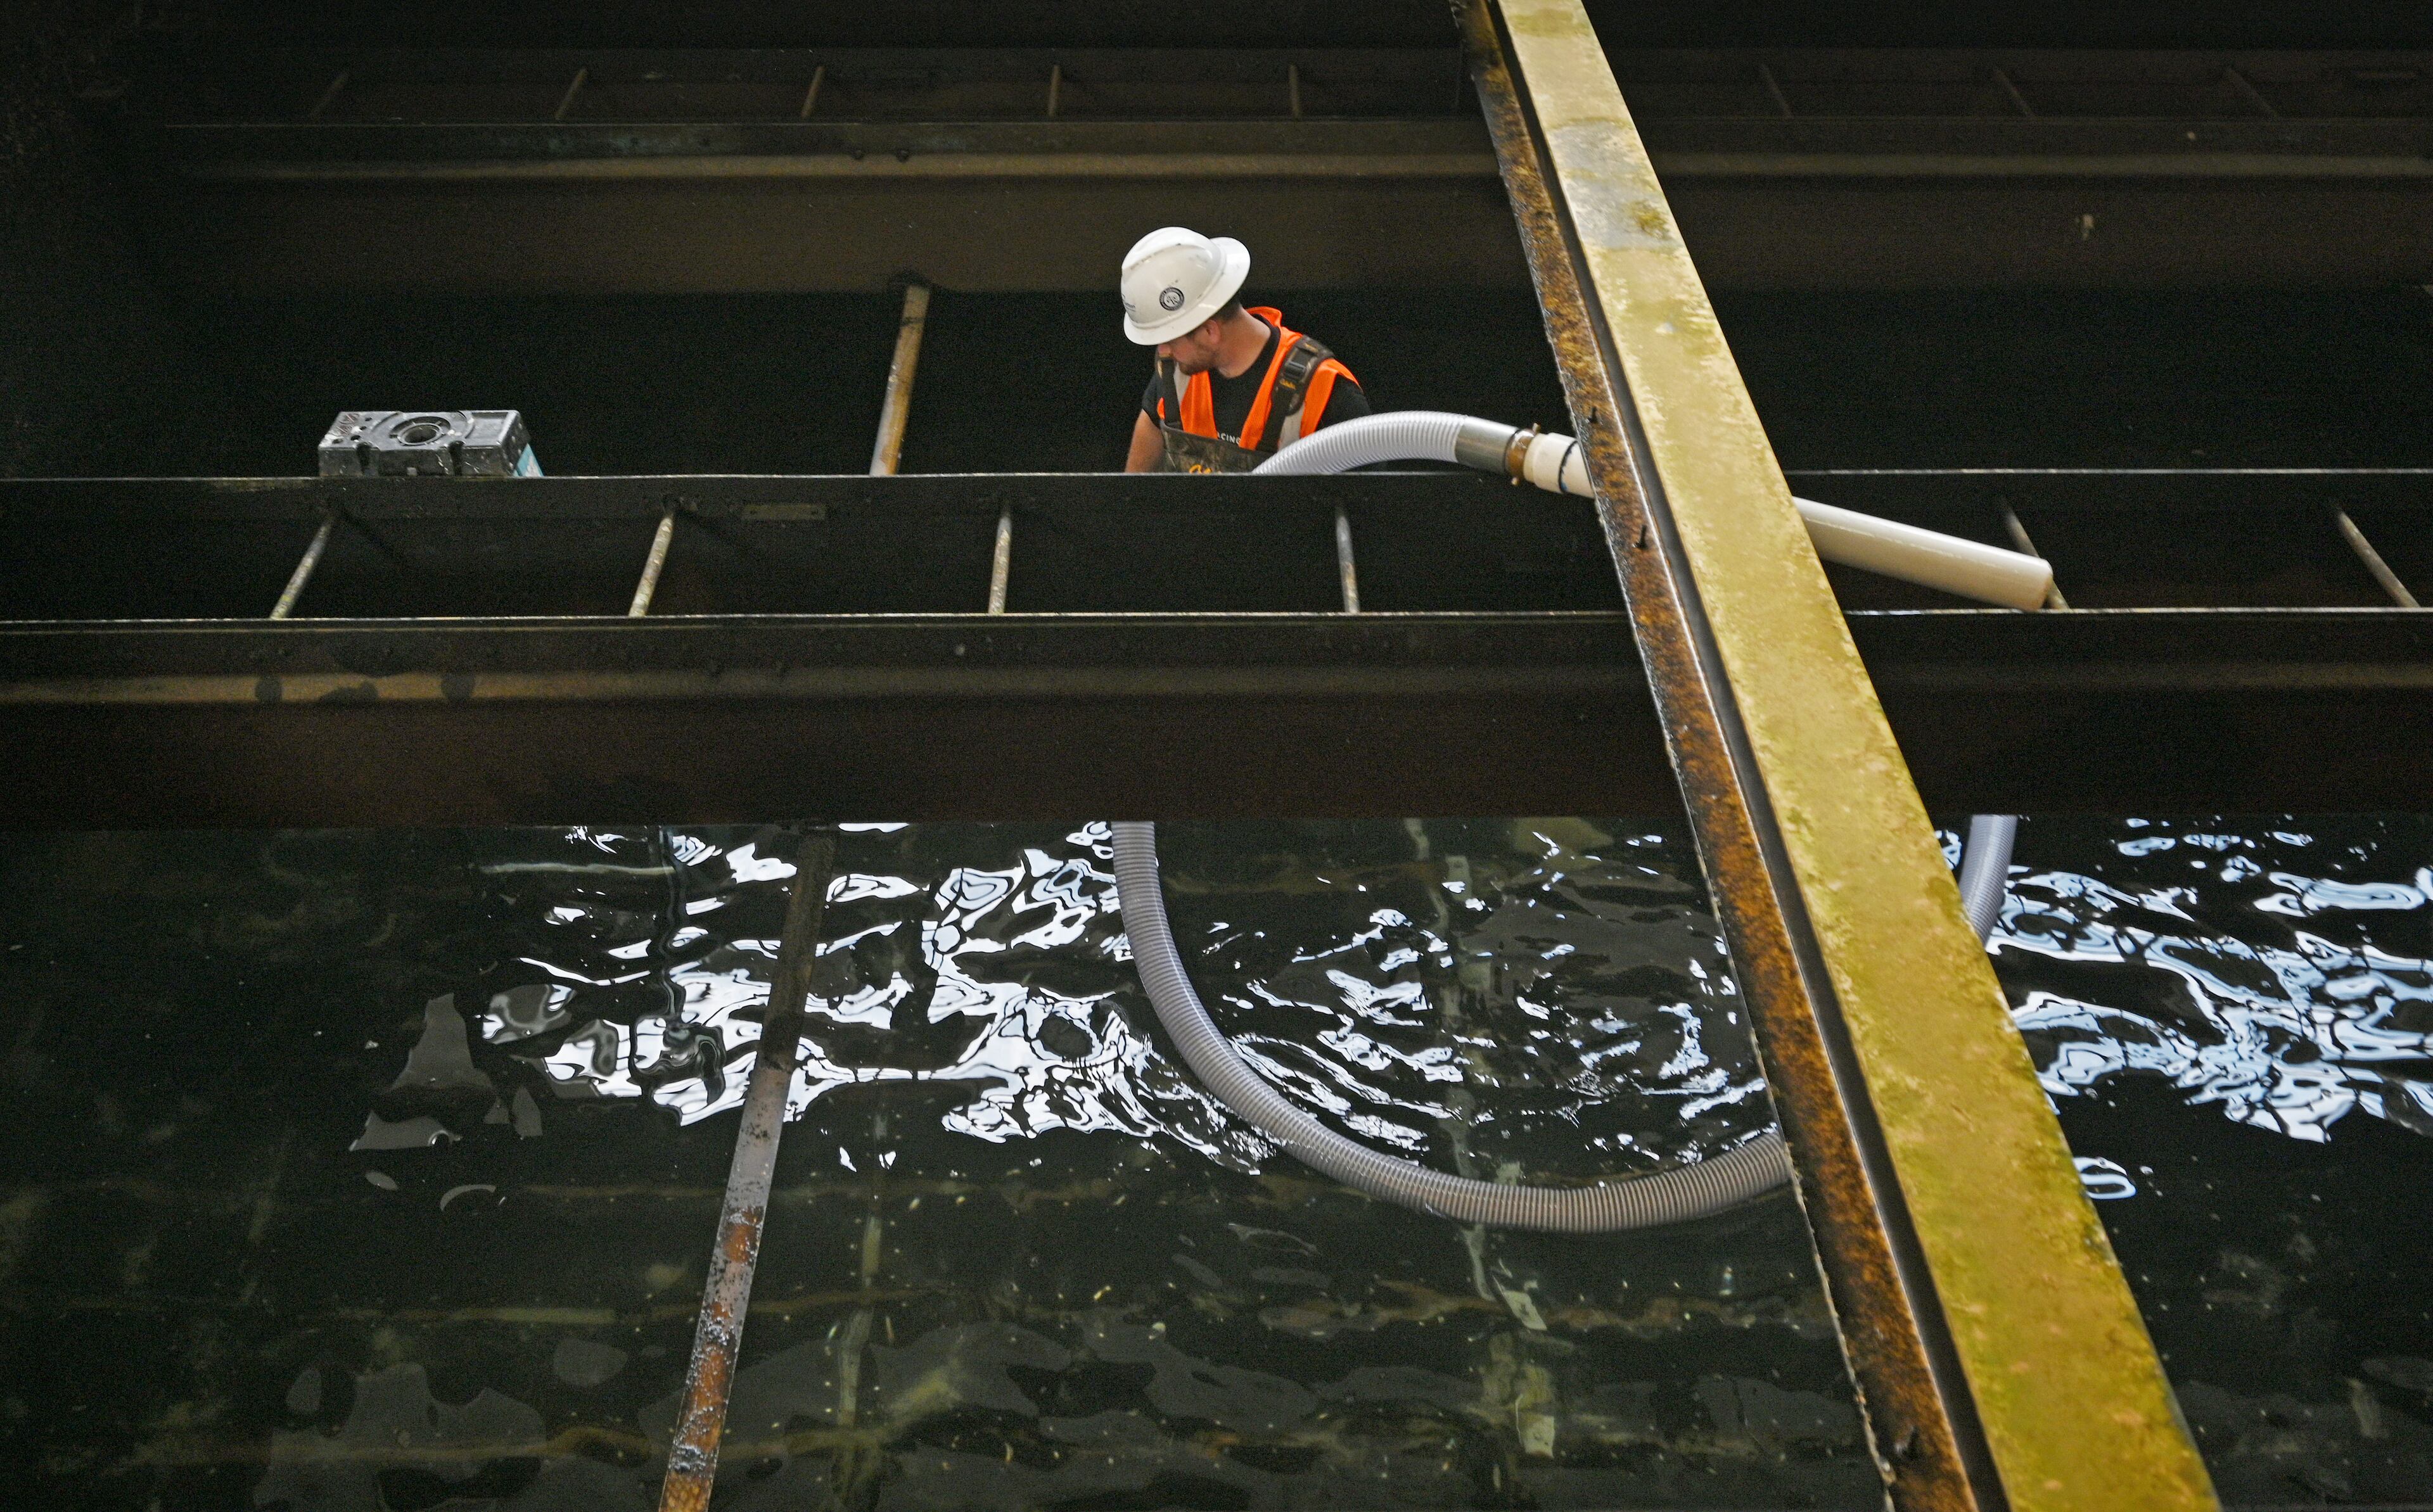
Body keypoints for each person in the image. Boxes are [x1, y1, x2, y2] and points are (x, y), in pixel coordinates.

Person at [1120, 227, 1370, 473]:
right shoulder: (1175, 375)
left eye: (1170, 339)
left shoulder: (1324, 392)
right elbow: (1134, 486)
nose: (1163, 350)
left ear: (1210, 332)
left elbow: (1369, 505)